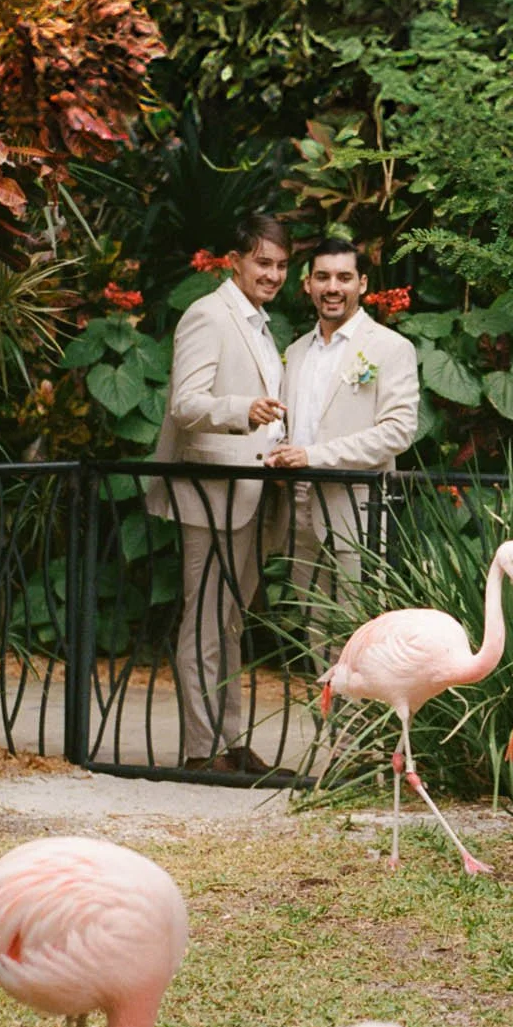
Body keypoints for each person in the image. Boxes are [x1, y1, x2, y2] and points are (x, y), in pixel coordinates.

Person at [147, 215, 289, 770]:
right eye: (262, 262)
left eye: (280, 265)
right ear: (235, 260)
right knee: (204, 620)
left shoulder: (258, 323)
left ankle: (229, 743)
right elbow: (185, 404)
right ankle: (199, 752)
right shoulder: (209, 314)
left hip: (253, 494)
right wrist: (240, 412)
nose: (272, 274)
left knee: (230, 622)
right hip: (210, 494)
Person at [268, 235, 420, 650]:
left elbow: (399, 430)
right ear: (308, 285)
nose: (332, 287)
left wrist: (313, 457)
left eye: (343, 277)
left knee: (359, 635)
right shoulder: (295, 352)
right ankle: (328, 718)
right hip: (296, 508)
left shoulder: (391, 349)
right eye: (322, 277)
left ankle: (361, 719)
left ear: (363, 284)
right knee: (315, 635)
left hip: (356, 510)